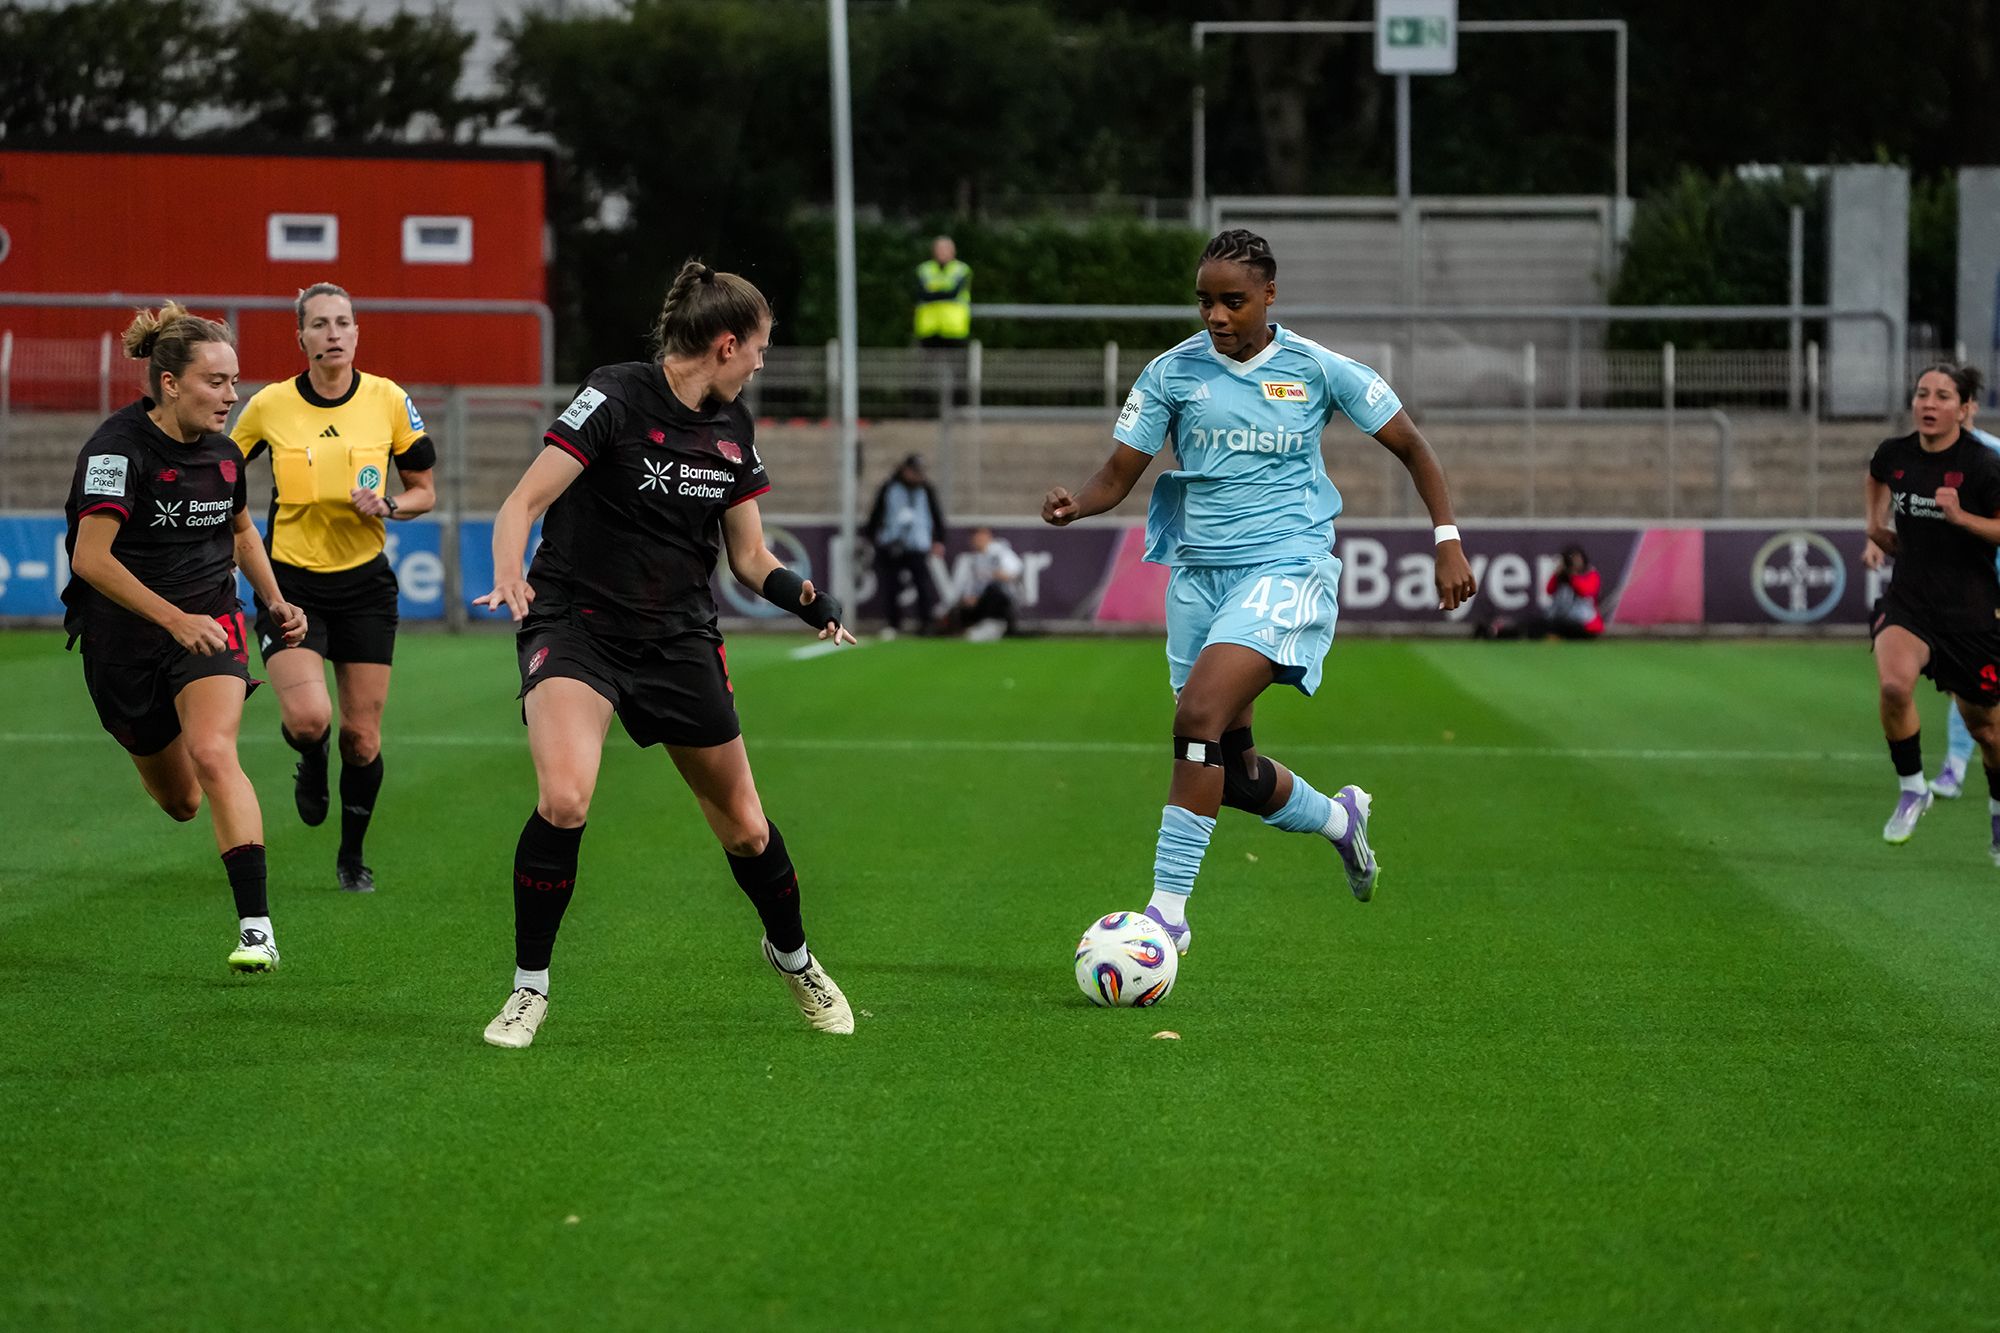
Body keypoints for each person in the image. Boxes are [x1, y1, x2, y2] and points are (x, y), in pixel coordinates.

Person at [1041, 228, 1477, 957]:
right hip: (1198, 577)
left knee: (1198, 713)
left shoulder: (1316, 368)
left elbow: (1411, 444)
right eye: (1205, 300)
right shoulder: (1171, 373)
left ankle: (1167, 916)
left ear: (1269, 295)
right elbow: (1119, 472)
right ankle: (1341, 821)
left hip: (1287, 567)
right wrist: (1076, 505)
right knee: (1233, 773)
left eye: (1233, 301)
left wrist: (1446, 539)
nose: (1215, 315)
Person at [474, 259, 858, 1050]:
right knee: (566, 800)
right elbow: (523, 501)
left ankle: (794, 958)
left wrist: (809, 601)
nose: (761, 362)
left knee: (747, 829)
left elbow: (749, 558)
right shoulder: (613, 396)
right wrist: (509, 573)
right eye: (759, 348)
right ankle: (528, 990)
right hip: (576, 624)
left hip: (679, 637)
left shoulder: (733, 429)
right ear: (725, 343)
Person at [63, 303, 308, 973]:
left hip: (211, 621)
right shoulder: (115, 451)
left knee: (213, 748)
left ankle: (257, 928)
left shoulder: (226, 456)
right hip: (124, 642)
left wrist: (275, 599)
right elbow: (90, 559)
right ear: (170, 382)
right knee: (180, 801)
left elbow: (240, 532)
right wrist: (170, 618)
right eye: (217, 381)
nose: (233, 396)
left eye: (235, 381)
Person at [230, 283, 438, 894]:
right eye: (319, 324)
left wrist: (391, 505)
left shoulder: (389, 400)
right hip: (288, 584)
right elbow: (218, 474)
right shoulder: (269, 406)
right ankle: (309, 755)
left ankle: (352, 857)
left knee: (363, 736)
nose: (333, 333)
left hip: (366, 587)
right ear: (301, 337)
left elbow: (425, 489)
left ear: (356, 333)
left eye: (343, 322)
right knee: (307, 719)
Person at [1864, 362, 2000, 857]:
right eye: (1923, 393)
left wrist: (1961, 517)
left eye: (1943, 396)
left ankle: (1998, 810)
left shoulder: (1984, 465)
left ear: (1965, 409)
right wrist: (1874, 527)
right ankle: (1913, 787)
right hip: (1911, 602)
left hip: (1970, 613)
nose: (1928, 403)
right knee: (1894, 685)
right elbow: (1877, 476)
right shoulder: (1895, 453)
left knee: (1987, 728)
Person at [866, 453, 947, 635]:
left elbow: (936, 515)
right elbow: (877, 512)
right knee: (891, 586)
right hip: (891, 543)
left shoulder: (926, 489)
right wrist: (872, 535)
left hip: (917, 545)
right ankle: (893, 623)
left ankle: (926, 623)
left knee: (922, 584)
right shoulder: (889, 488)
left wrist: (939, 539)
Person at [1473, 544, 1604, 639]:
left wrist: (1572, 576)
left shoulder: (1590, 574)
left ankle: (1499, 633)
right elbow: (1549, 590)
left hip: (1585, 625)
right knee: (1535, 624)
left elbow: (1586, 592)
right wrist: (1558, 574)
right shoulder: (1563, 577)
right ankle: (1497, 633)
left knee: (1544, 627)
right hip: (1564, 620)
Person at [956, 525, 1024, 641]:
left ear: (988, 537)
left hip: (1003, 598)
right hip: (981, 599)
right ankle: (973, 629)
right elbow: (970, 583)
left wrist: (996, 574)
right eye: (975, 538)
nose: (977, 541)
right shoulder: (974, 558)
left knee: (992, 590)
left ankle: (994, 627)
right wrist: (970, 596)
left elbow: (1015, 570)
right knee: (963, 603)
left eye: (980, 537)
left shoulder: (999, 552)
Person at [913, 235, 972, 350]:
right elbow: (921, 294)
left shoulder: (961, 269)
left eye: (945, 249)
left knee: (955, 365)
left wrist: (933, 292)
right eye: (939, 249)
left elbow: (953, 293)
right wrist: (944, 292)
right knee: (929, 366)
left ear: (953, 251)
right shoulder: (924, 269)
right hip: (928, 327)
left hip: (954, 327)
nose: (942, 252)